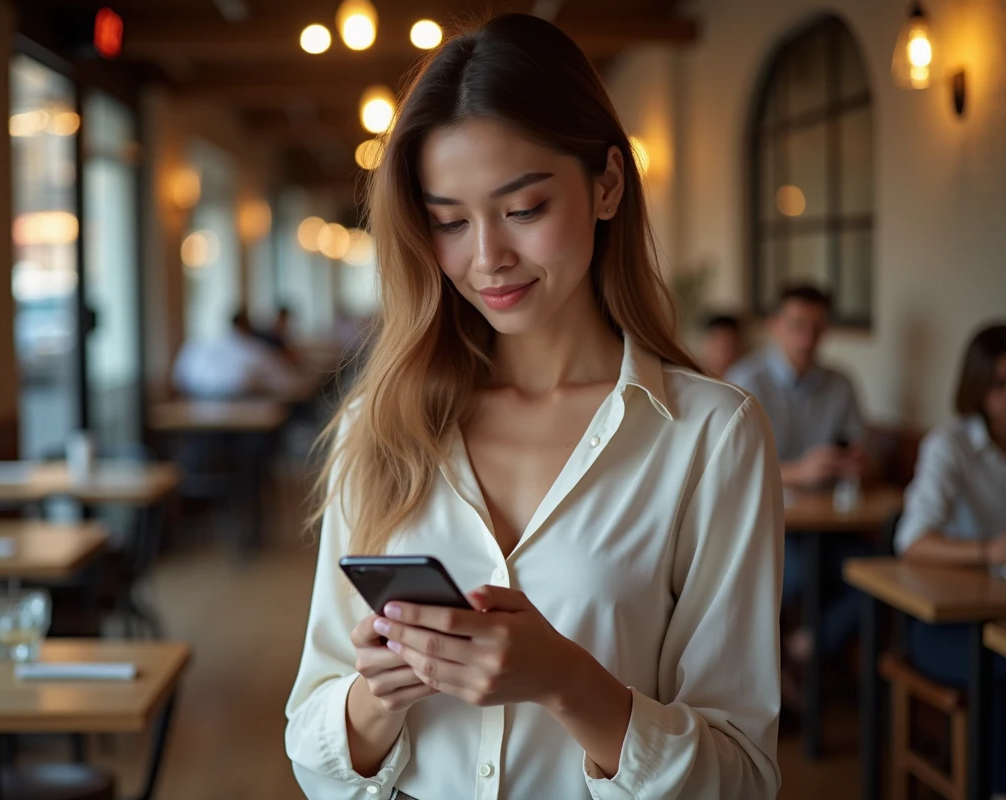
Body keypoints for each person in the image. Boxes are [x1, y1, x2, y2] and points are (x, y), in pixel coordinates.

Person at [285, 15, 783, 800]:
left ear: (607, 184)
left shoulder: (710, 437)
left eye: (523, 210)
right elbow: (312, 745)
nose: (487, 258)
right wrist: (373, 700)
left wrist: (567, 683)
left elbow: (743, 777)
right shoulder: (380, 429)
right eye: (449, 221)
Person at [895, 323, 1006, 799]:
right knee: (1004, 676)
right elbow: (911, 542)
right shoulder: (949, 445)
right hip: (948, 627)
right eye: (1001, 384)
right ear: (978, 388)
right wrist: (986, 551)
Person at [726, 285, 868, 681]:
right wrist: (801, 471)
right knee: (801, 573)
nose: (807, 338)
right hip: (765, 526)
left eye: (818, 328)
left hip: (829, 524)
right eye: (798, 326)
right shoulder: (744, 379)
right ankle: (774, 670)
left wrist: (853, 462)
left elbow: (860, 450)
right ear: (776, 326)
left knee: (877, 572)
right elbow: (732, 466)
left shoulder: (841, 383)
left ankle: (803, 648)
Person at [171, 310, 303, 399]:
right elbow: (285, 383)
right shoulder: (252, 350)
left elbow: (178, 379)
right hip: (242, 413)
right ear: (247, 327)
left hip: (196, 408)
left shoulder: (198, 346)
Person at [701, 313, 744, 378]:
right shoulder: (695, 380)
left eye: (729, 346)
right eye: (717, 345)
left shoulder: (745, 378)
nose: (723, 353)